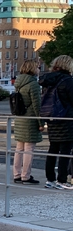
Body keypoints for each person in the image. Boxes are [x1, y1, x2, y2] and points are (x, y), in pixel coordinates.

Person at [39, 55, 73, 189]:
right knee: (65, 151)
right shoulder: (68, 81)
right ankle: (62, 180)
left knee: (53, 149)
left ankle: (50, 179)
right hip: (66, 119)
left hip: (52, 118)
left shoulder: (49, 80)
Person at [12, 59, 45, 185]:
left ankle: (17, 174)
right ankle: (26, 176)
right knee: (29, 149)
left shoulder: (19, 83)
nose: (38, 69)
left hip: (20, 118)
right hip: (30, 119)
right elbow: (37, 105)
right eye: (37, 67)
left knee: (19, 148)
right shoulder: (33, 85)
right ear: (32, 68)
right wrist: (41, 123)